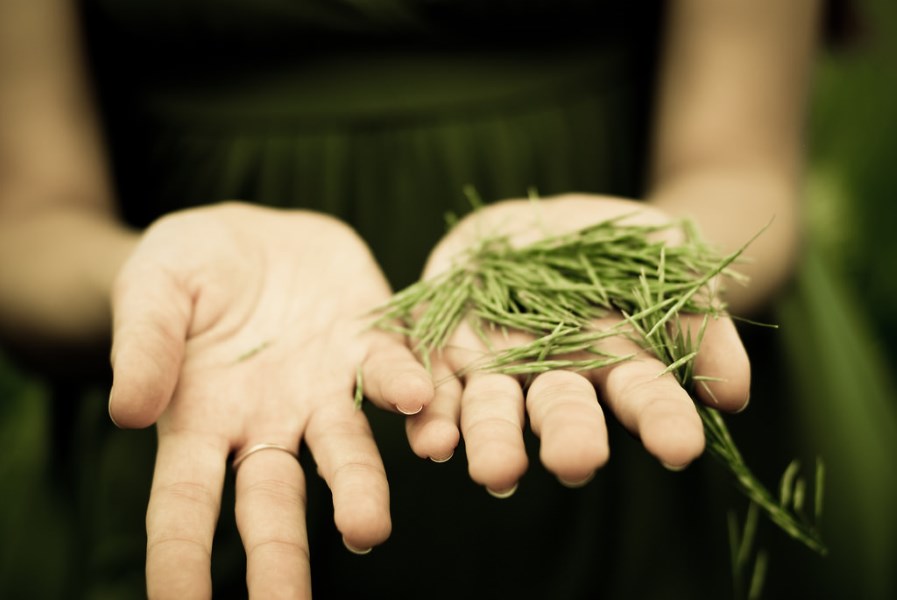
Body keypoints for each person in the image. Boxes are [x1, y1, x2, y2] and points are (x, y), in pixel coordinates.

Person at [2, 0, 893, 598]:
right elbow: (27, 220)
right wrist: (144, 277)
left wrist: (651, 260)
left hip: (632, 383)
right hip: (212, 392)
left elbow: (739, 162)